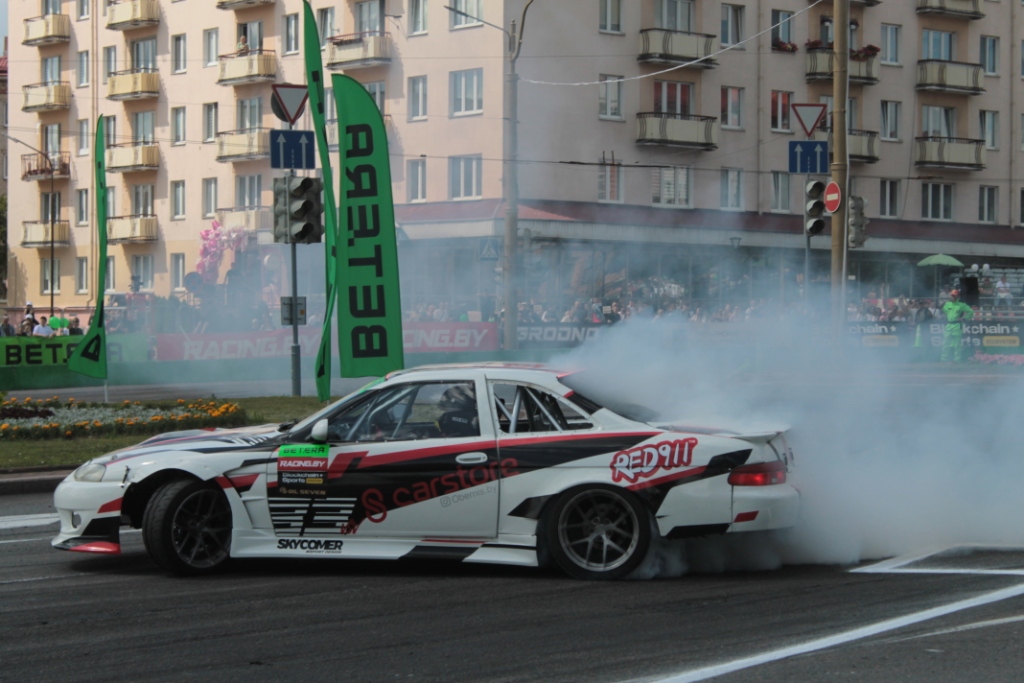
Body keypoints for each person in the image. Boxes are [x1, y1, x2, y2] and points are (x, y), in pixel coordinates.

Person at [940, 289, 974, 363]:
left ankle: (957, 359)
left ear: (958, 296)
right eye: (952, 295)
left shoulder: (961, 305)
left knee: (957, 344)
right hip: (949, 325)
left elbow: (970, 311)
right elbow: (943, 310)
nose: (953, 297)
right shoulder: (947, 304)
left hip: (957, 325)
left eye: (955, 295)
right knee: (945, 343)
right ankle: (943, 359)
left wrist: (964, 318)